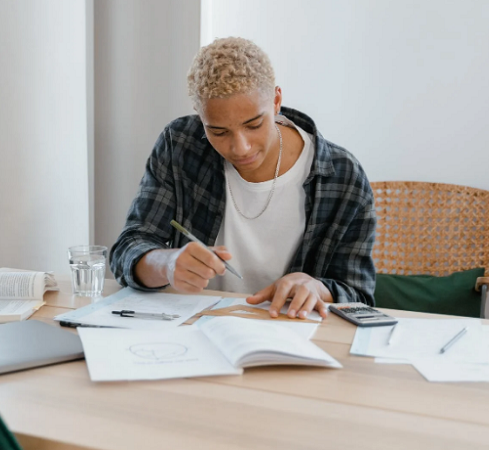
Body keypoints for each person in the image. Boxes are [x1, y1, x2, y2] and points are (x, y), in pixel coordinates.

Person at [110, 37, 376, 321]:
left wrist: (318, 288)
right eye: (219, 132)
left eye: (254, 125)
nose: (240, 148)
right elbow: (129, 248)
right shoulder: (180, 146)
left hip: (290, 335)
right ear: (200, 118)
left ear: (276, 101)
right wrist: (167, 263)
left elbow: (359, 294)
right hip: (192, 330)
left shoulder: (343, 176)